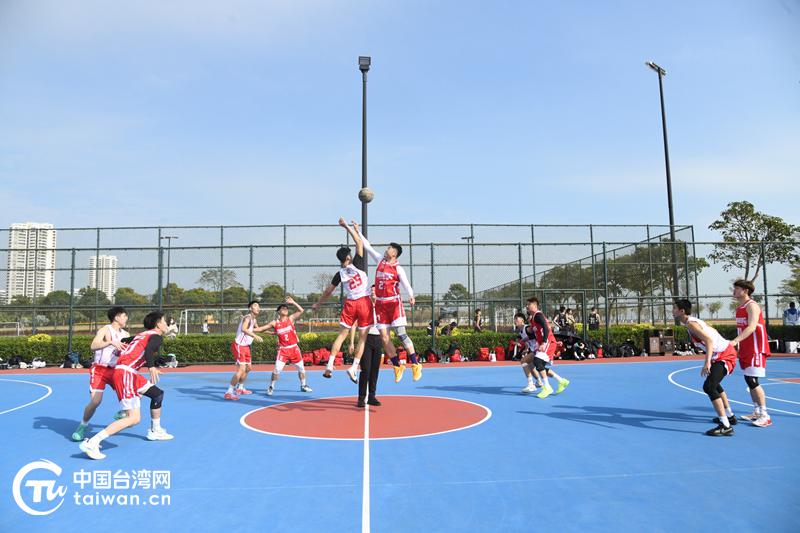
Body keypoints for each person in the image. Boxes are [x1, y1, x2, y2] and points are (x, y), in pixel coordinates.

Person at [79, 311, 174, 460]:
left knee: (157, 394)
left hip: (128, 373)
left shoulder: (141, 335)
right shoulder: (156, 337)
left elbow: (126, 341)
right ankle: (92, 442)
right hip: (126, 373)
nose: (166, 324)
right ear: (158, 324)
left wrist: (156, 360)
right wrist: (151, 367)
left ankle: (155, 430)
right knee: (133, 418)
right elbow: (149, 350)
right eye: (164, 321)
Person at [355, 222, 421, 383]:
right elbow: (367, 246)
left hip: (394, 304)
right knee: (384, 338)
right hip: (380, 305)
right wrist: (358, 231)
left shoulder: (398, 268)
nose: (386, 249)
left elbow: (406, 284)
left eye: (389, 248)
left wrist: (411, 295)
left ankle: (416, 364)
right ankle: (397, 366)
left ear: (394, 253)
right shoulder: (380, 260)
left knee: (401, 334)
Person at [311, 218, 374, 383]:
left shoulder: (339, 274)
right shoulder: (358, 263)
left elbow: (328, 291)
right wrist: (347, 226)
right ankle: (353, 367)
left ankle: (329, 365)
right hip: (364, 302)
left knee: (341, 335)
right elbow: (359, 241)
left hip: (350, 304)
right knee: (362, 337)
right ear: (348, 256)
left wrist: (318, 304)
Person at [673, 299, 738, 436]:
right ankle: (730, 416)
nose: (672, 311)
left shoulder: (691, 324)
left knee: (709, 387)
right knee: (715, 385)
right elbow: (712, 331)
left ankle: (725, 425)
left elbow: (708, 340)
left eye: (674, 308)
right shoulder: (693, 322)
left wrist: (707, 362)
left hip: (725, 355)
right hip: (720, 353)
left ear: (682, 311)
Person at [71, 306, 129, 442]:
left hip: (116, 370)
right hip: (100, 370)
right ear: (116, 317)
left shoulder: (126, 334)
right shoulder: (105, 330)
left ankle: (124, 411)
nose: (126, 318)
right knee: (96, 401)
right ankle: (82, 426)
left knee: (133, 392)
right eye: (124, 315)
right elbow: (93, 346)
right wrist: (110, 342)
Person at [729, 279, 772, 427]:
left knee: (752, 380)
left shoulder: (752, 306)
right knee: (749, 380)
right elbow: (741, 329)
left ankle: (765, 415)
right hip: (746, 349)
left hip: (756, 348)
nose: (734, 291)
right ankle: (757, 411)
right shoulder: (739, 308)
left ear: (745, 291)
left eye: (737, 288)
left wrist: (735, 341)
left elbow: (752, 327)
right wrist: (739, 346)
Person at [264, 297, 313, 396]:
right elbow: (264, 329)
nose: (285, 309)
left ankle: (303, 385)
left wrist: (293, 302)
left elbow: (301, 310)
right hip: (283, 350)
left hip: (294, 348)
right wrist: (252, 330)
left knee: (301, 369)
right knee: (277, 370)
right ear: (278, 311)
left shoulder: (290, 319)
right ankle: (271, 386)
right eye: (282, 308)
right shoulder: (275, 323)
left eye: (286, 308)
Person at [224, 301, 270, 400]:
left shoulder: (254, 320)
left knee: (248, 368)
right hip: (239, 345)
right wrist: (254, 335)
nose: (258, 308)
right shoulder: (247, 318)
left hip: (246, 346)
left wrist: (274, 332)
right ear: (250, 308)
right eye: (255, 306)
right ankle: (229, 392)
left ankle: (240, 388)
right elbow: (244, 329)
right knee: (241, 369)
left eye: (258, 306)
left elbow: (259, 329)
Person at [526, 297, 569, 398]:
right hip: (547, 342)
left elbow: (546, 327)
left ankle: (547, 387)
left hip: (547, 342)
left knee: (537, 362)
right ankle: (561, 381)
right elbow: (539, 331)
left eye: (529, 304)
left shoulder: (538, 315)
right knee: (539, 365)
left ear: (535, 306)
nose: (527, 306)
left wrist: (544, 342)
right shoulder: (534, 318)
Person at [358, 307, 384, 407]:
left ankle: (372, 396)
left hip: (379, 339)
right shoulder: (365, 306)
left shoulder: (382, 306)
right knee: (365, 370)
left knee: (375, 370)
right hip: (366, 338)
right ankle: (361, 398)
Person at [514, 313, 543, 393]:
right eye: (514, 319)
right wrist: (526, 349)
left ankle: (531, 385)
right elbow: (528, 341)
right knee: (531, 366)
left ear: (522, 320)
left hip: (538, 349)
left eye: (516, 319)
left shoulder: (527, 328)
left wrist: (521, 341)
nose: (515, 321)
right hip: (534, 349)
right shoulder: (521, 331)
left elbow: (533, 336)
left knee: (523, 361)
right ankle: (539, 382)